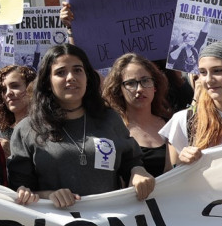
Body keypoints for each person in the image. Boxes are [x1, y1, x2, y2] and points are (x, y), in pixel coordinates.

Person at [10, 45, 154, 208]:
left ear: (87, 77)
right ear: (48, 82)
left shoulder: (109, 119)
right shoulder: (26, 129)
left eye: (78, 70)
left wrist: (137, 171)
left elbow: (131, 161)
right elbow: (19, 192)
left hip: (109, 225)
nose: (71, 77)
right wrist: (48, 195)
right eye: (60, 72)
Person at [101, 54, 172, 177]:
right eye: (131, 83)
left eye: (145, 81)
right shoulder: (112, 131)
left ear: (155, 86)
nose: (139, 89)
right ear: (119, 90)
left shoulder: (171, 124)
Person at [0, 65, 35, 151]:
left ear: (31, 88)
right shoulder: (0, 134)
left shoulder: (47, 128)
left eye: (15, 86)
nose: (8, 93)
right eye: (4, 89)